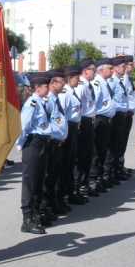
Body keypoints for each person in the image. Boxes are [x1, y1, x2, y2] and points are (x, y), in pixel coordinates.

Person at [17, 72, 54, 234]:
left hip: (43, 143)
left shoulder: (41, 102)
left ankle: (37, 213)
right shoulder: (31, 103)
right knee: (30, 181)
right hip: (33, 143)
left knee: (40, 179)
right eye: (46, 86)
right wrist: (22, 145)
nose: (48, 88)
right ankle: (27, 218)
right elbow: (23, 126)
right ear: (37, 88)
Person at [42, 68, 70, 217]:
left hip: (58, 144)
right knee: (48, 177)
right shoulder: (47, 101)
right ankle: (45, 207)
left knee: (55, 176)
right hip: (51, 143)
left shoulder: (55, 98)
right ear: (52, 83)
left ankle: (53, 203)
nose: (64, 85)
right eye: (61, 82)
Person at [90, 58, 116, 189]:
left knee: (103, 150)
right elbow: (93, 103)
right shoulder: (96, 83)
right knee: (97, 150)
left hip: (107, 120)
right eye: (110, 68)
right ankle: (93, 178)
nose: (113, 70)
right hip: (100, 119)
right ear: (101, 70)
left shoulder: (104, 82)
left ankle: (100, 175)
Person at [74, 58, 98, 198]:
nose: (94, 72)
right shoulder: (81, 86)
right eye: (93, 70)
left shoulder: (87, 85)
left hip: (89, 122)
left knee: (88, 155)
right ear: (85, 71)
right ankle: (79, 185)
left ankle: (84, 183)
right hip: (83, 122)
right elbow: (77, 106)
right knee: (82, 156)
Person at [104, 56, 129, 183]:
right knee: (112, 146)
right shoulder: (112, 82)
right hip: (116, 116)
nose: (125, 68)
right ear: (115, 68)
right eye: (123, 66)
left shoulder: (119, 81)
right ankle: (109, 173)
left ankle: (116, 169)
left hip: (122, 115)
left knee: (119, 145)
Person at [61, 64, 84, 205]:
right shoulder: (65, 93)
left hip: (75, 128)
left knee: (71, 162)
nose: (79, 81)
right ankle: (65, 193)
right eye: (77, 78)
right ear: (69, 79)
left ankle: (70, 191)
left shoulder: (71, 92)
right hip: (68, 128)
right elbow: (62, 114)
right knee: (66, 164)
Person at [118, 55, 135, 175]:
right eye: (130, 64)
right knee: (119, 144)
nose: (133, 66)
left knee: (123, 143)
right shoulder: (122, 79)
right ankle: (117, 167)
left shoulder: (127, 78)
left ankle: (120, 166)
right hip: (122, 114)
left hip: (128, 114)